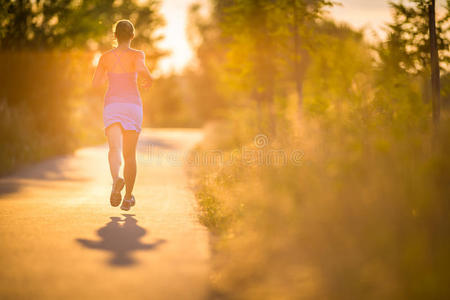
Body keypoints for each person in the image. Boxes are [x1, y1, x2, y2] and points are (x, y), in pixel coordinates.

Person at [92, 19, 153, 211]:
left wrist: (108, 72)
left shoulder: (105, 57)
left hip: (112, 105)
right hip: (132, 106)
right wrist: (148, 80)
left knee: (114, 148)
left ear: (115, 36)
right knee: (130, 155)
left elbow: (96, 84)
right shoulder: (137, 55)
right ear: (132, 36)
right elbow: (143, 71)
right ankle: (127, 198)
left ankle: (116, 179)